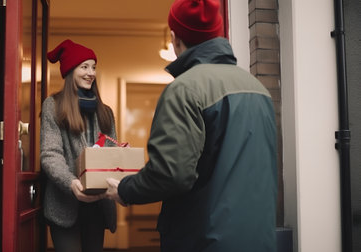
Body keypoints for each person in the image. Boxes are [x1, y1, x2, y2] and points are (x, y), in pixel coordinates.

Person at [105, 0, 278, 251]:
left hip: (203, 241)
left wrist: (125, 190)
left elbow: (170, 174)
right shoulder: (259, 89)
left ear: (174, 38)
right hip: (259, 240)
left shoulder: (184, 89)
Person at [41, 39, 117, 252]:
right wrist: (72, 183)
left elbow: (112, 153)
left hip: (98, 204)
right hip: (65, 204)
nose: (91, 72)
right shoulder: (53, 106)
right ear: (69, 71)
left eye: (93, 67)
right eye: (84, 66)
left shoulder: (106, 112)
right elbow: (50, 154)